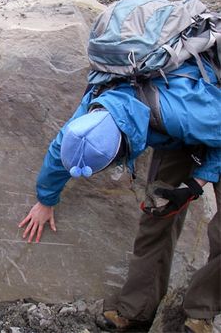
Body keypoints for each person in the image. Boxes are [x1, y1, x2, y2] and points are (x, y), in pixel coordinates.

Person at [18, 57, 220, 333]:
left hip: (202, 112)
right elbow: (59, 153)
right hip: (182, 125)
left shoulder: (177, 114)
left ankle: (200, 311)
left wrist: (197, 182)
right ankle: (137, 310)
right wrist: (46, 199)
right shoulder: (96, 108)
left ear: (122, 148)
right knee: (158, 212)